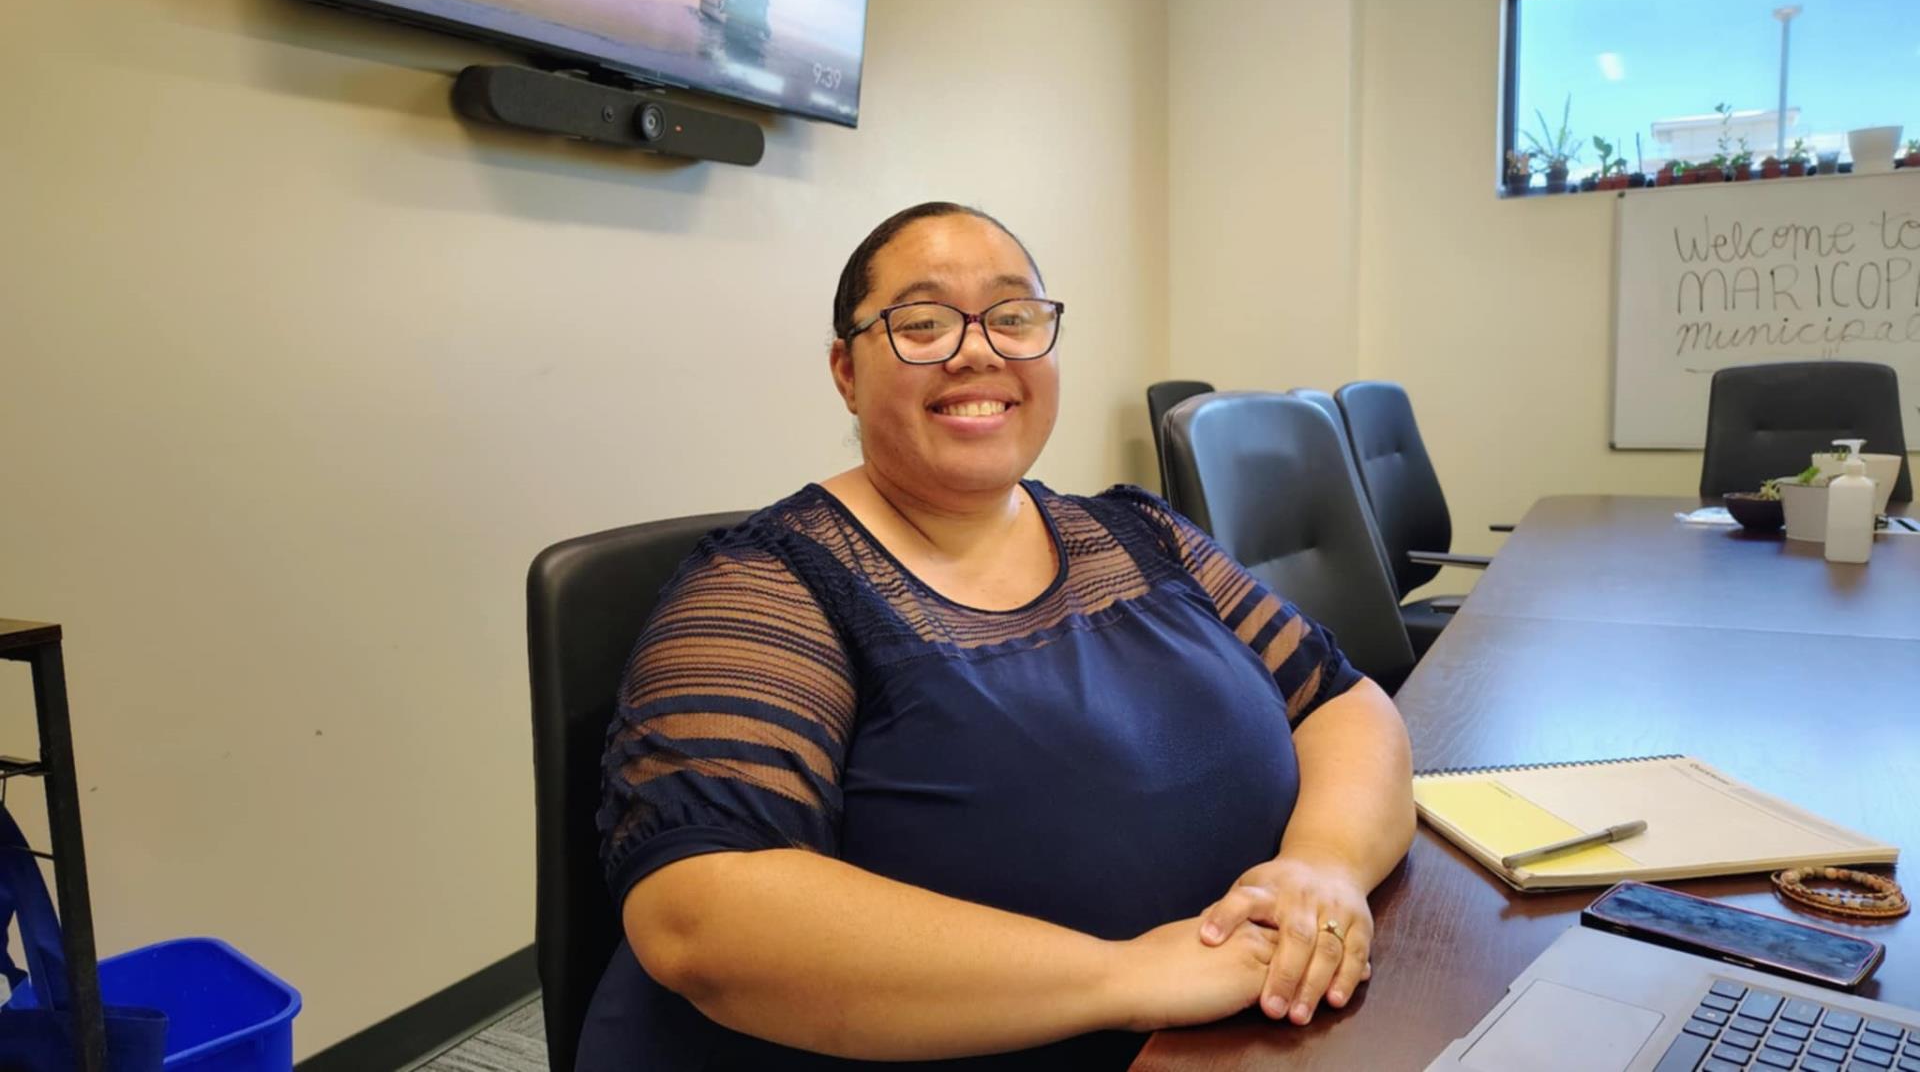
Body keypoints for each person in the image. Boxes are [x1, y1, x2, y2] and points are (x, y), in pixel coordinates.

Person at [576, 202, 1415, 1070]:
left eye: (1014, 317)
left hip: (1261, 1025)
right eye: (924, 322)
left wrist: (1324, 864)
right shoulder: (767, 585)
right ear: (845, 371)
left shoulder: (1137, 533)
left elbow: (1340, 700)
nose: (978, 349)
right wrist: (1126, 978)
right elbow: (699, 914)